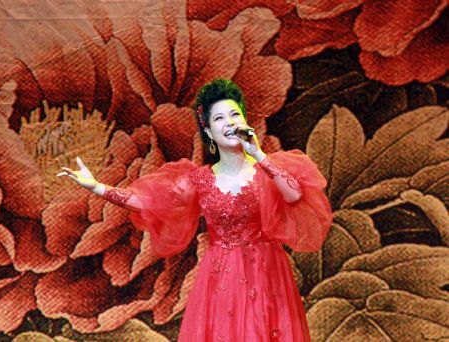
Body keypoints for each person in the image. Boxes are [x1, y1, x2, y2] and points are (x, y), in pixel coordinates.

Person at [57, 79, 332, 341]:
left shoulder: (266, 169)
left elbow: (294, 194)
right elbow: (146, 201)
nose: (229, 123)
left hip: (267, 269)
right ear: (210, 133)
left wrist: (258, 154)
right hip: (222, 273)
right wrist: (96, 187)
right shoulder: (200, 180)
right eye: (219, 119)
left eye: (235, 115)